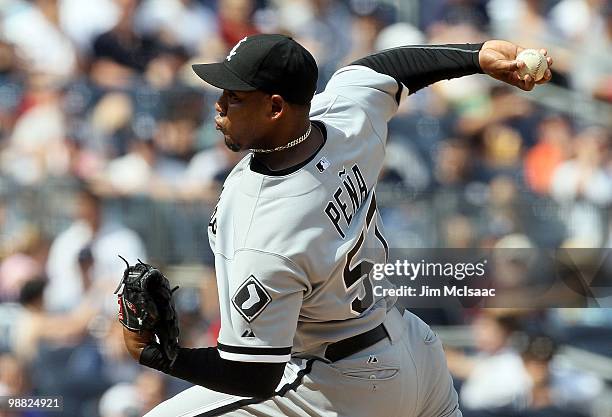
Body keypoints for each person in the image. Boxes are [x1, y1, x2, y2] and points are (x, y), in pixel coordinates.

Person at [121, 34, 553, 417]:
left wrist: (157, 356)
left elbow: (254, 376)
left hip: (344, 386)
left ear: (275, 107)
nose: (218, 105)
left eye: (234, 96)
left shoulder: (265, 224)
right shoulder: (343, 119)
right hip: (415, 352)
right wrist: (476, 56)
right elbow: (386, 69)